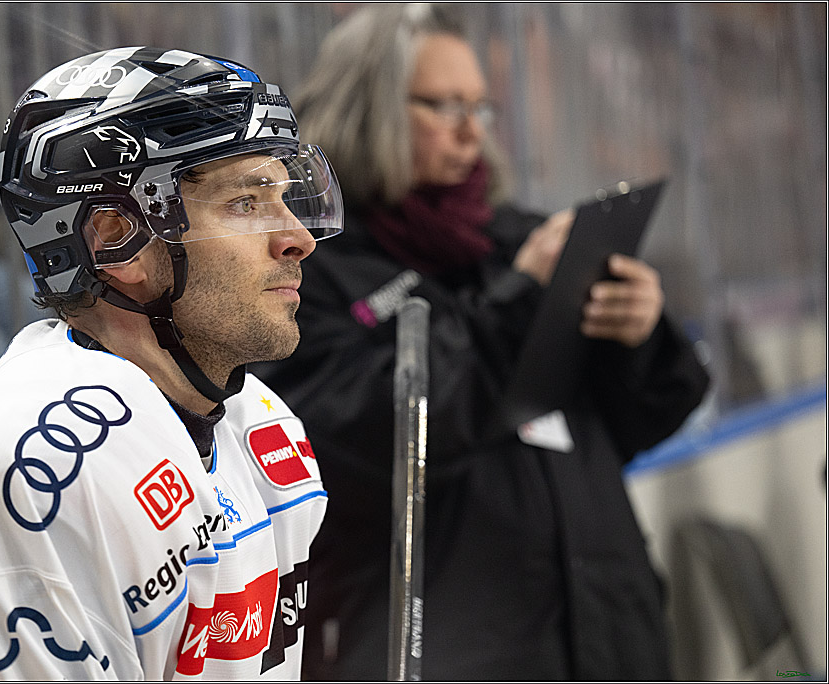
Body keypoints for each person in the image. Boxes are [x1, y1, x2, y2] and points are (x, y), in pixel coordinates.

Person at [0, 46, 343, 680]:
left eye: (286, 198)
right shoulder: (40, 466)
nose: (298, 236)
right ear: (115, 242)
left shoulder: (262, 423)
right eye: (245, 203)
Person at [253, 4, 710, 681]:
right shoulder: (305, 270)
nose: (472, 130)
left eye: (481, 108)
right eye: (444, 106)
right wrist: (521, 301)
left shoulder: (515, 237)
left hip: (608, 632)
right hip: (444, 645)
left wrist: (640, 335)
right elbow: (363, 443)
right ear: (367, 104)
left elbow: (647, 418)